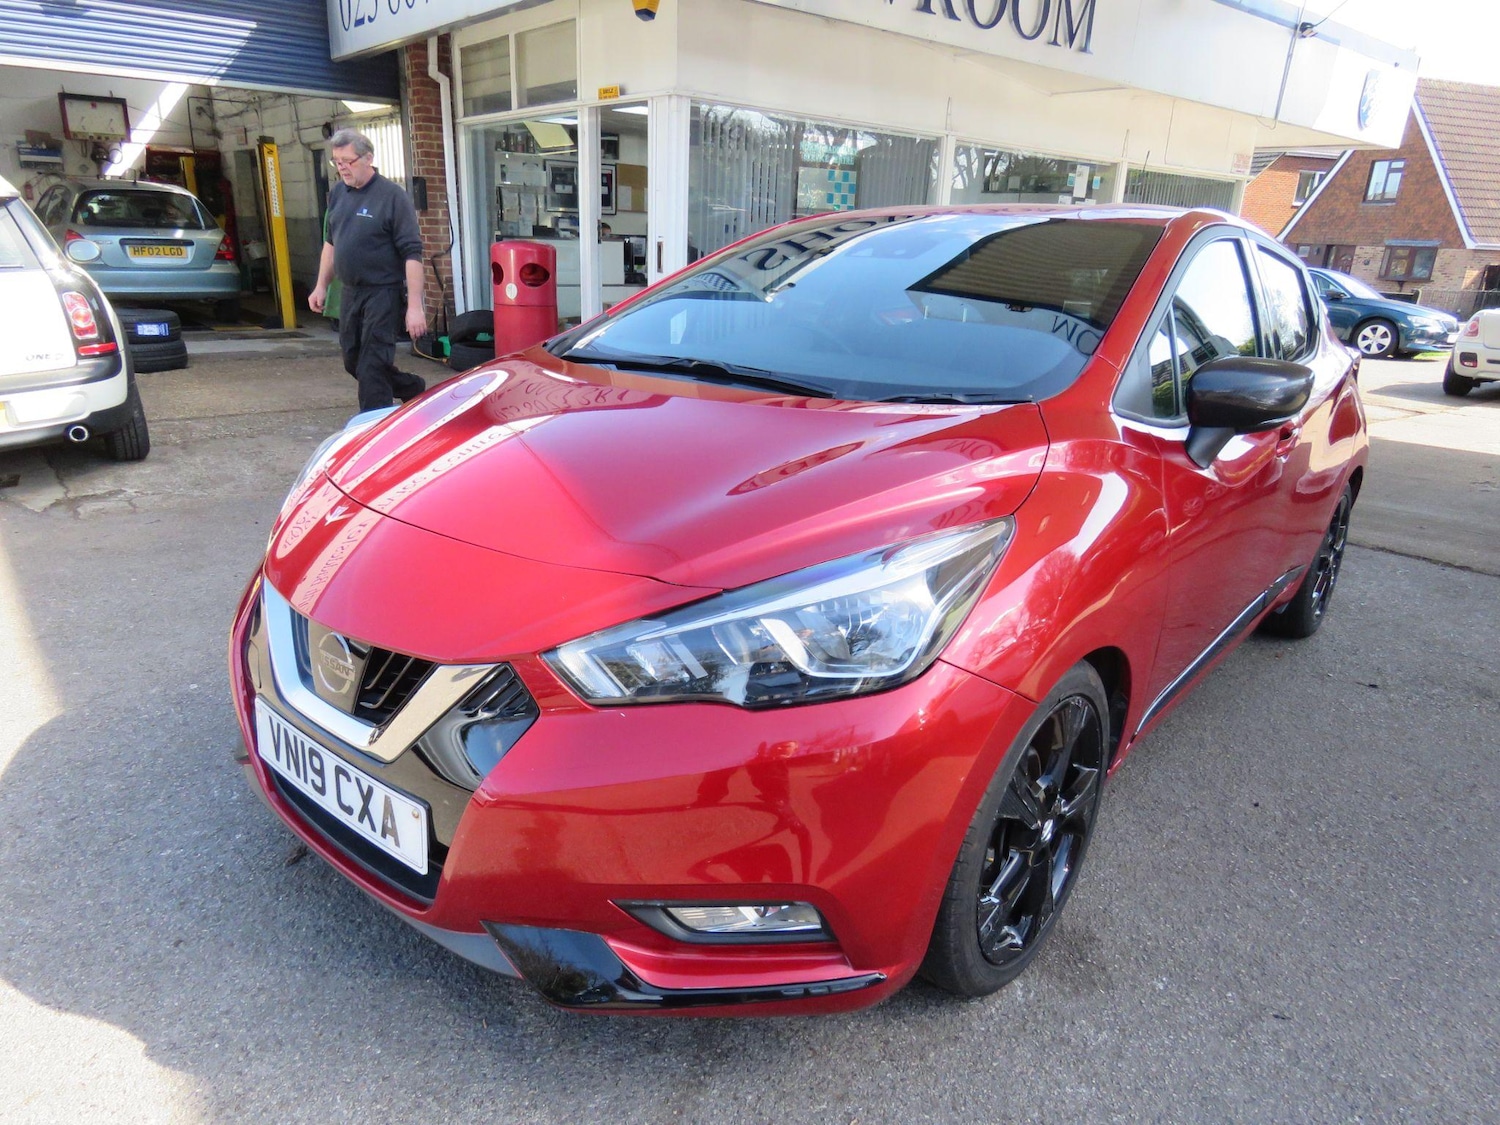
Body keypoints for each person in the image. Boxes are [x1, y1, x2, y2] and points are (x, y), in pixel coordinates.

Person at [309, 128, 428, 410]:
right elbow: (331, 244)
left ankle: (374, 423)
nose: (342, 168)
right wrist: (321, 285)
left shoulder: (392, 197)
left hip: (383, 293)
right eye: (337, 162)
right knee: (353, 360)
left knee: (373, 364)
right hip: (350, 292)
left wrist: (415, 307)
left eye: (348, 161)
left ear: (368, 158)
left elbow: (412, 254)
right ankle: (410, 387)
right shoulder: (338, 194)